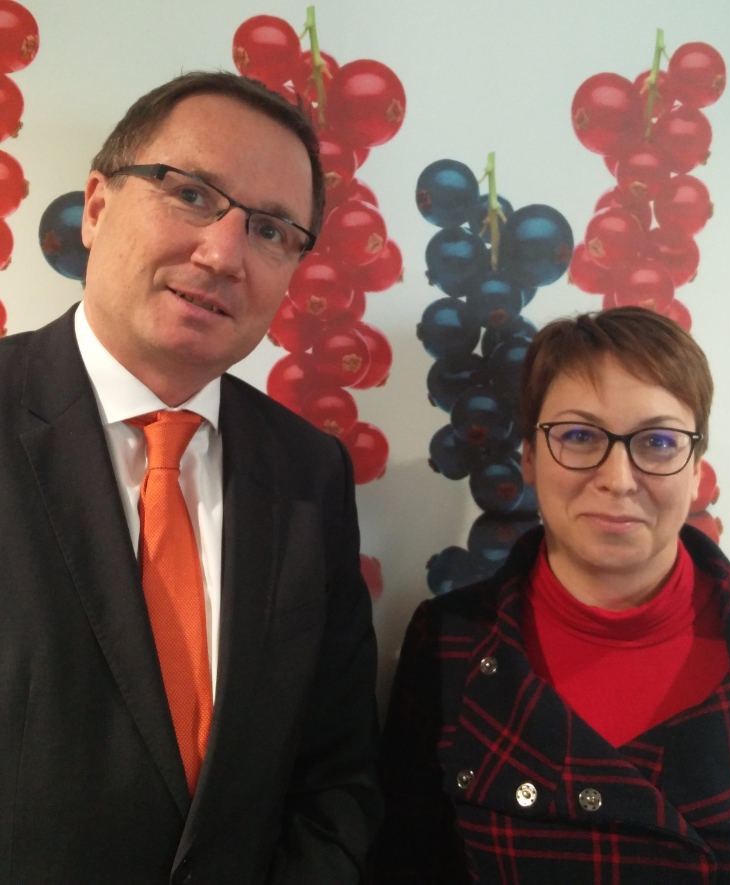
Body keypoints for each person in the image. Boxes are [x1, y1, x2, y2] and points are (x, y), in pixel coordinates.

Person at [0, 71, 380, 884]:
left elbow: (336, 771)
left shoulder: (311, 475)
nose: (223, 253)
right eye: (193, 194)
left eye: (273, 230)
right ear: (96, 206)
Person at [372, 307, 730, 884]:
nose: (619, 478)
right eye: (578, 436)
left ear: (696, 468)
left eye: (658, 441)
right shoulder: (447, 643)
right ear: (528, 457)